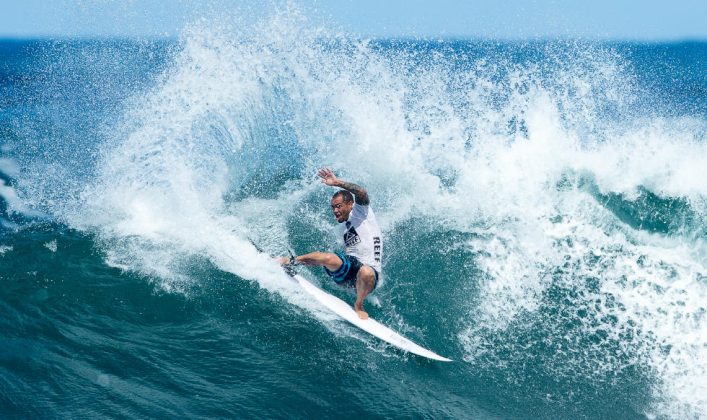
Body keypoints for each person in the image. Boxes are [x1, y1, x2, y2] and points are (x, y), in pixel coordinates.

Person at [279, 168, 383, 319]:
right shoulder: (341, 228)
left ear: (350, 204)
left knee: (365, 271)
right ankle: (289, 262)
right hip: (348, 274)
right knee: (328, 259)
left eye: (338, 206)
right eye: (333, 207)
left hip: (369, 277)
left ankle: (359, 305)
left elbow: (361, 192)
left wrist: (336, 183)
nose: (335, 210)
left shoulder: (363, 213)